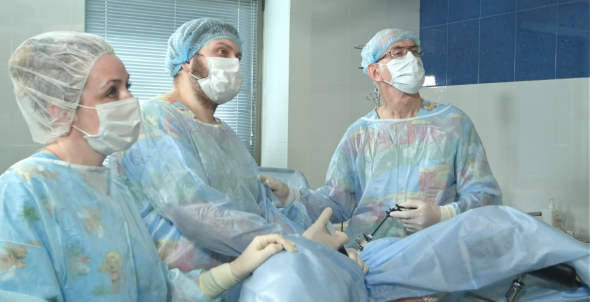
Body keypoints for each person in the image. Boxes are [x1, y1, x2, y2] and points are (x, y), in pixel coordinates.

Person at [0, 31, 300, 301]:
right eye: (111, 92)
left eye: (127, 86)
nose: (130, 99)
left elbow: (155, 288)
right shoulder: (23, 191)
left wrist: (233, 270)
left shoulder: (112, 191)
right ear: (60, 111)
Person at [112, 18, 368, 296]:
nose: (233, 62)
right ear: (187, 61)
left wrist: (325, 252)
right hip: (187, 286)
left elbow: (258, 209)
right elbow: (195, 211)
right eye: (222, 52)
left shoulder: (224, 133)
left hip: (247, 281)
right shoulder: (153, 120)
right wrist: (298, 245)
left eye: (238, 56)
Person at [261, 28, 503, 247]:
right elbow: (337, 202)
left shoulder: (452, 124)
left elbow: (486, 196)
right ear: (375, 71)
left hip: (435, 257)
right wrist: (291, 195)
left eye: (414, 51)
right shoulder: (360, 133)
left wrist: (444, 214)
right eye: (397, 53)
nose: (410, 59)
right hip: (368, 258)